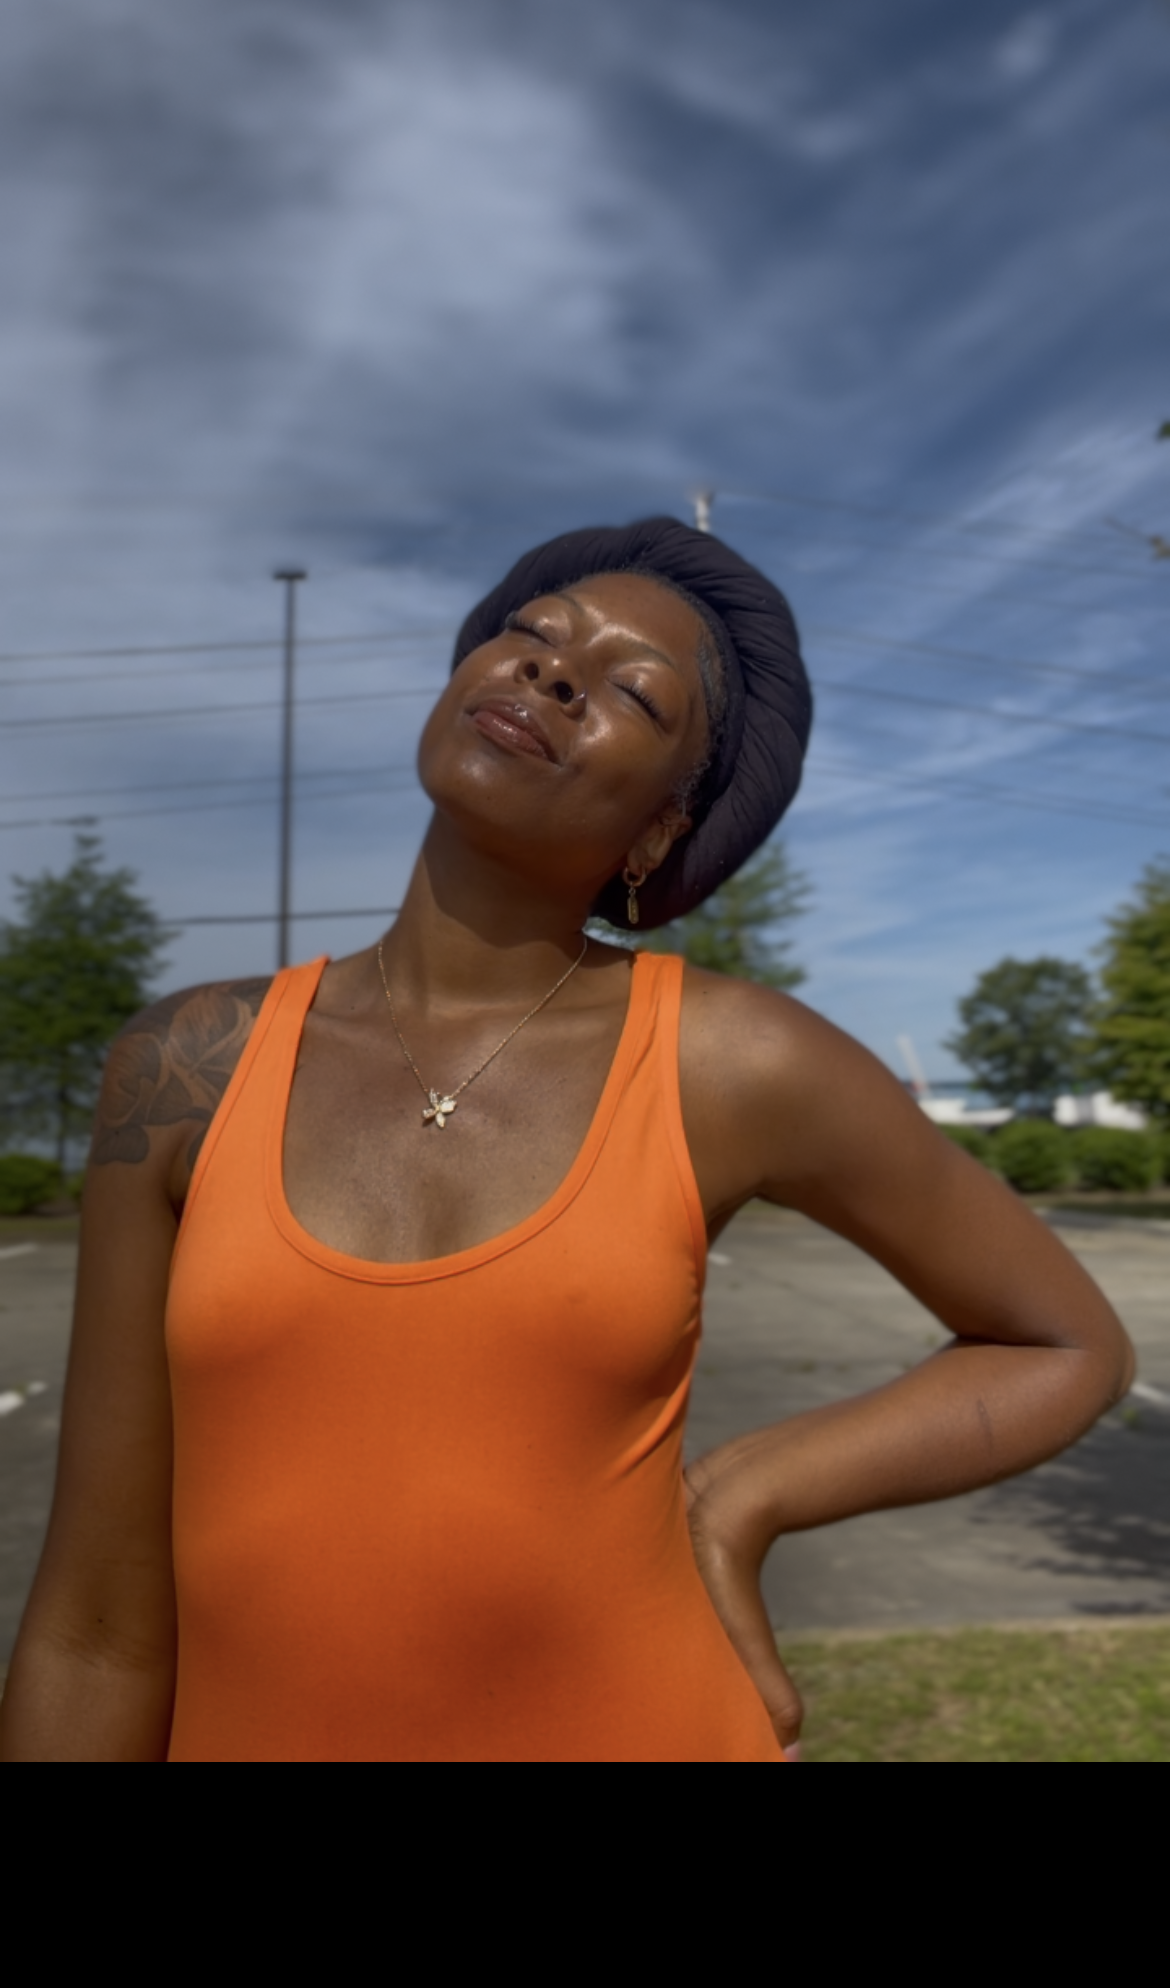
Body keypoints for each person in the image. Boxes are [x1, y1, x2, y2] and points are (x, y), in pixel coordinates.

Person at [0, 518, 1133, 1762]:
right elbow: (95, 1625)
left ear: (660, 831)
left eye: (632, 693)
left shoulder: (730, 1062)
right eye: (532, 634)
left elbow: (1064, 1344)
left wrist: (741, 1496)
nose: (553, 670)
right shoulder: (187, 1066)